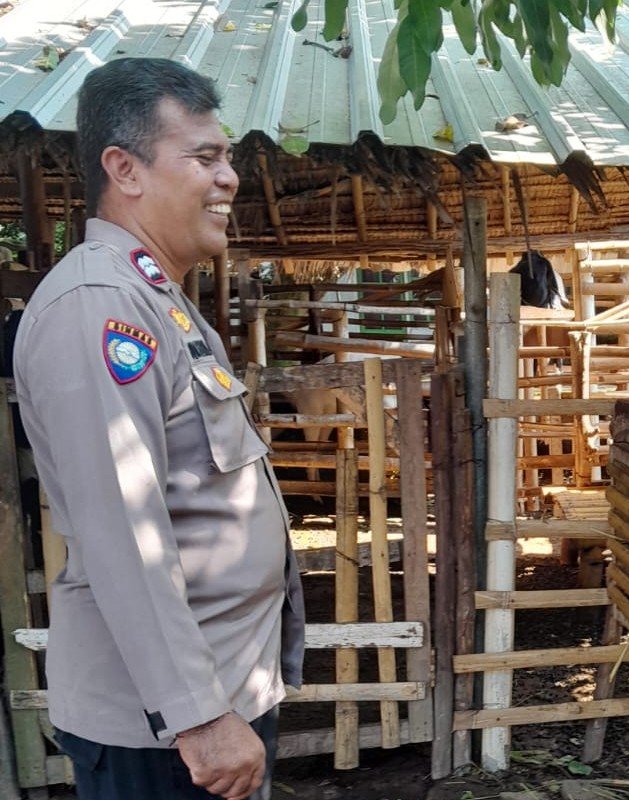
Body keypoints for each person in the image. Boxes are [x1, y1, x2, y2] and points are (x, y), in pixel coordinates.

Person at [13, 58, 304, 800]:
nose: (228, 177)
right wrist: (200, 717)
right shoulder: (97, 309)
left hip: (213, 695)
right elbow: (122, 532)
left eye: (227, 156)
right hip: (165, 730)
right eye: (204, 156)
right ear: (125, 169)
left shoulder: (155, 297)